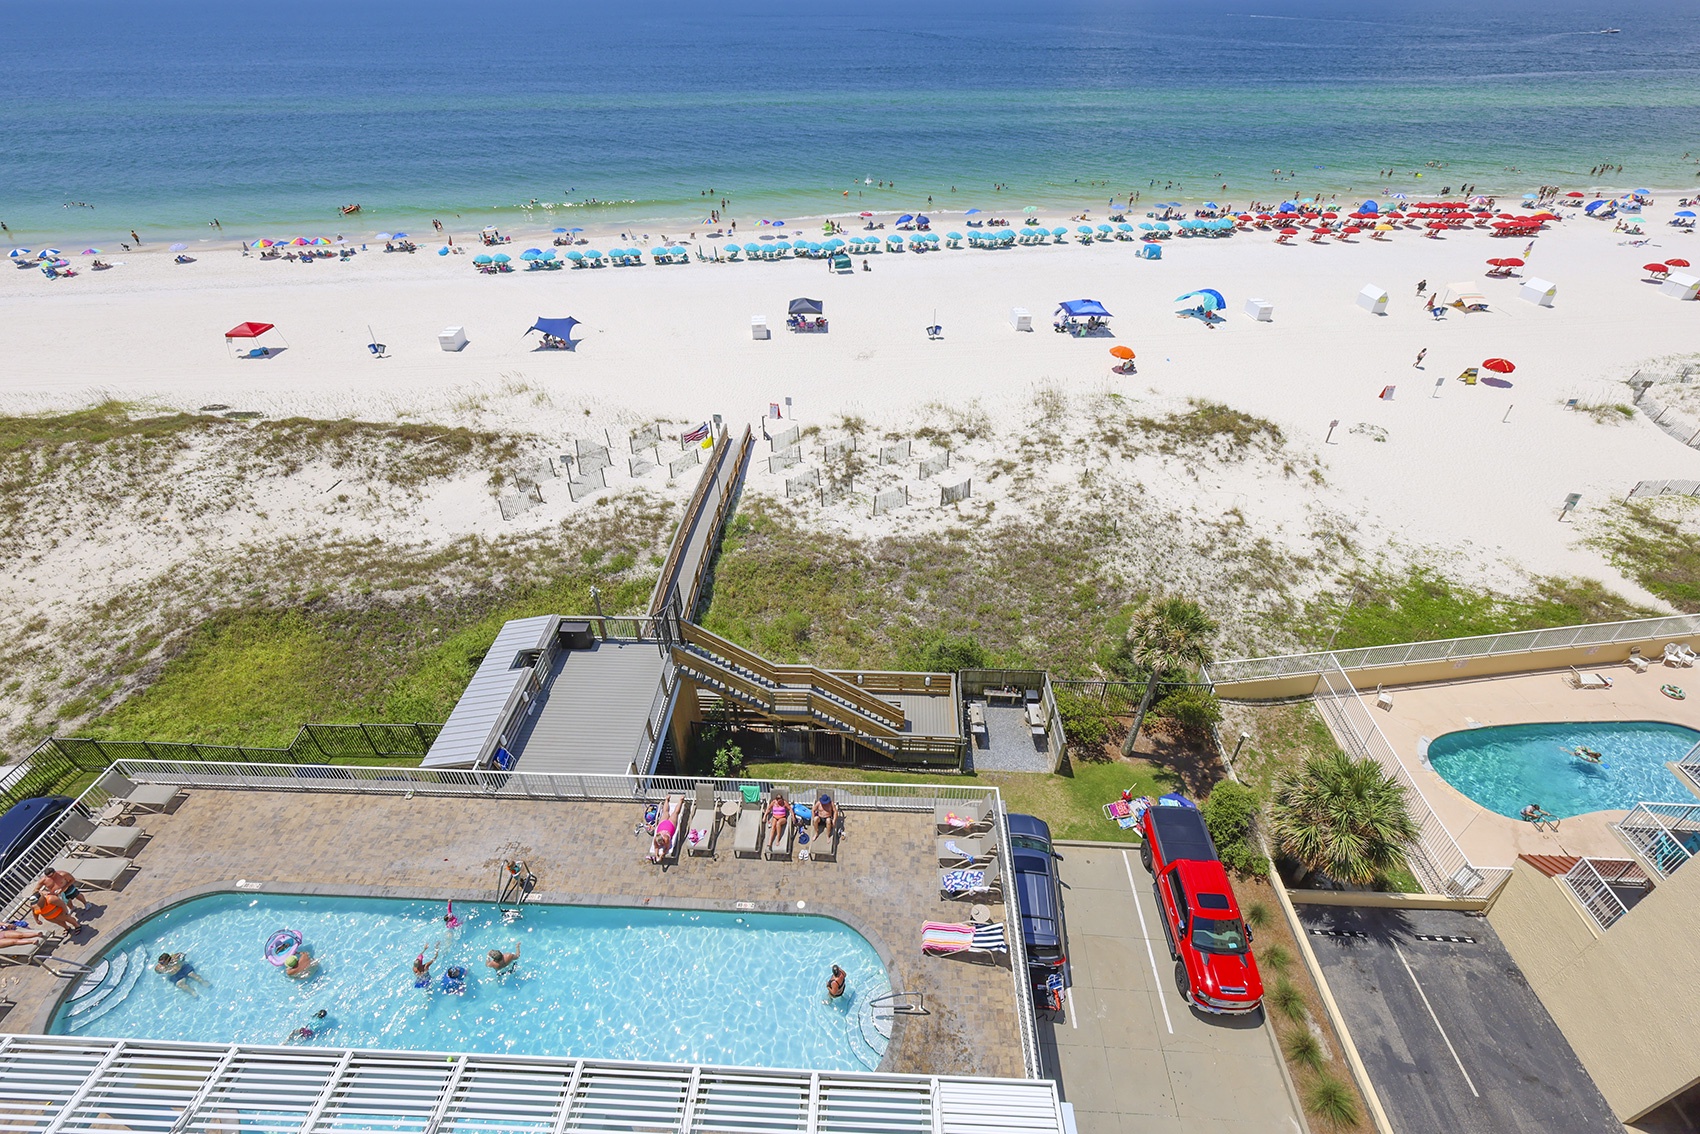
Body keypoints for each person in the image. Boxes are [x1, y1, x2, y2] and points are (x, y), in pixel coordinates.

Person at [649, 794, 685, 862]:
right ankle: (667, 799)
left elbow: (667, 848)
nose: (660, 845)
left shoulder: (666, 839)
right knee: (666, 812)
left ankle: (680, 800)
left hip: (669, 826)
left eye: (661, 843)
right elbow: (656, 847)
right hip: (662, 826)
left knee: (675, 813)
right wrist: (656, 855)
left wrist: (661, 855)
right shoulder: (656, 839)